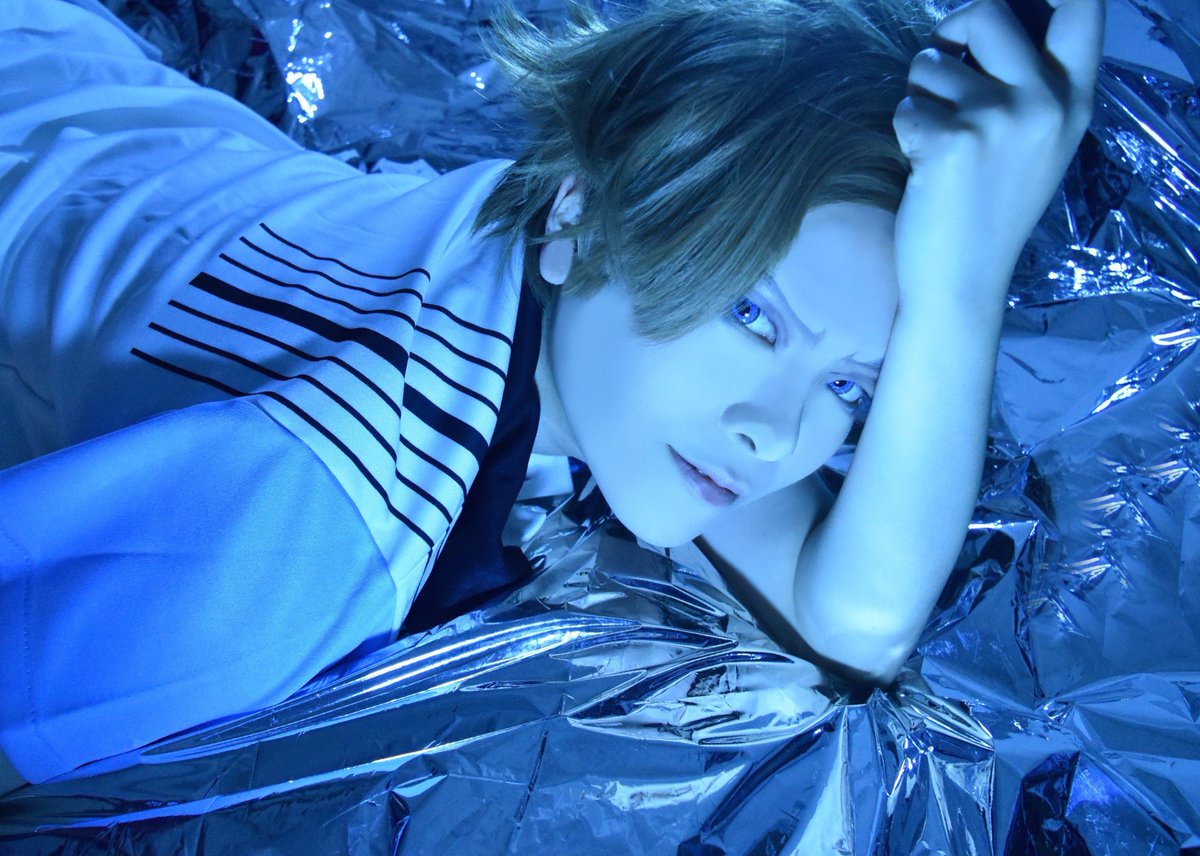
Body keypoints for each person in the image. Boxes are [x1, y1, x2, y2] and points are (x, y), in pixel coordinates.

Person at [0, 0, 1105, 793]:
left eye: (853, 386)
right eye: (752, 315)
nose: (777, 434)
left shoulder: (555, 267)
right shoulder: (312, 531)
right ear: (579, 213)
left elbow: (851, 623)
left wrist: (964, 285)